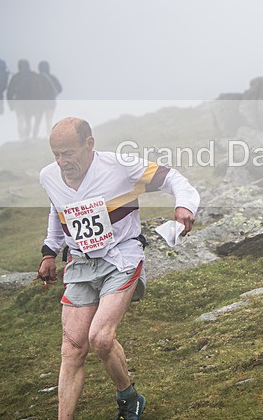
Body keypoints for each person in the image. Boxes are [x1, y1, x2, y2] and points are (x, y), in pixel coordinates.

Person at [36, 117, 199, 419]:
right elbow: (57, 210)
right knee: (72, 349)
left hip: (120, 257)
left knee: (100, 337)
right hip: (80, 263)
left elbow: (173, 177)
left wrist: (185, 206)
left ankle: (126, 397)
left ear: (89, 145)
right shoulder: (49, 176)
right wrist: (49, 251)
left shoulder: (120, 167)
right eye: (56, 154)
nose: (61, 162)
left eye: (68, 153)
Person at [7, 59, 42, 141]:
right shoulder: (34, 75)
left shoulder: (16, 77)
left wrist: (10, 104)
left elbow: (10, 91)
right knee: (28, 121)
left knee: (20, 121)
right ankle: (28, 137)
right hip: (31, 102)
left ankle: (22, 138)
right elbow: (40, 90)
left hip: (19, 102)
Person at [37, 60, 63, 137]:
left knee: (38, 119)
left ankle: (34, 136)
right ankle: (49, 135)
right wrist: (54, 94)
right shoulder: (52, 78)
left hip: (39, 103)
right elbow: (60, 89)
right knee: (48, 119)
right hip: (51, 102)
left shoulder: (37, 78)